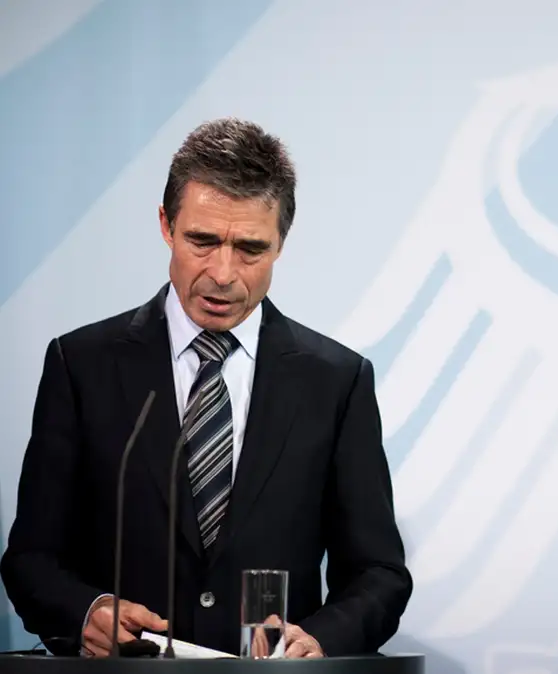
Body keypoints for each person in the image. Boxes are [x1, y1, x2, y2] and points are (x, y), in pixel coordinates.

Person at [0, 118, 413, 658]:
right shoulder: (81, 366)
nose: (222, 272)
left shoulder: (336, 381)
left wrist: (320, 639)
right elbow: (31, 559)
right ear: (166, 225)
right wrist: (88, 612)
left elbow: (379, 573)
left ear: (281, 244)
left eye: (249, 249)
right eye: (202, 240)